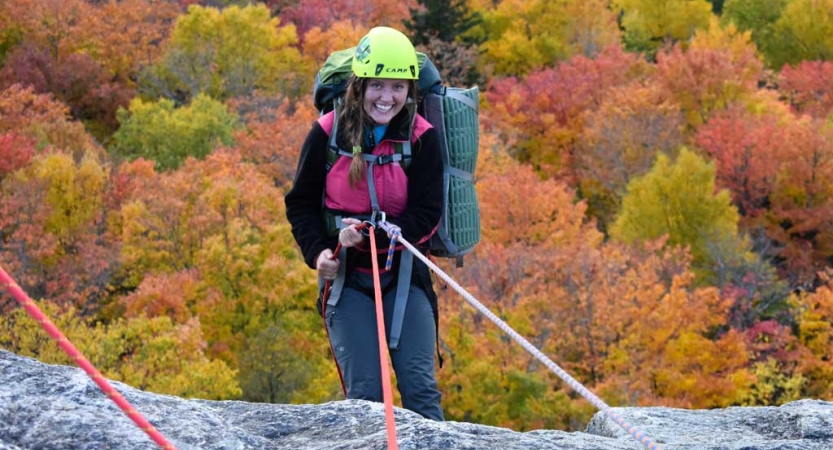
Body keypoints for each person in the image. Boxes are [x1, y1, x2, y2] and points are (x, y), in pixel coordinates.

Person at [284, 26, 445, 421]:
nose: (386, 98)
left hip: (404, 277)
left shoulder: (422, 138)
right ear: (360, 84)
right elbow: (300, 203)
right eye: (377, 85)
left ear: (410, 90)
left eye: (397, 87)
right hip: (345, 280)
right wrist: (319, 252)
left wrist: (387, 234)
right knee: (367, 400)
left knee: (421, 391)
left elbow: (428, 210)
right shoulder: (327, 133)